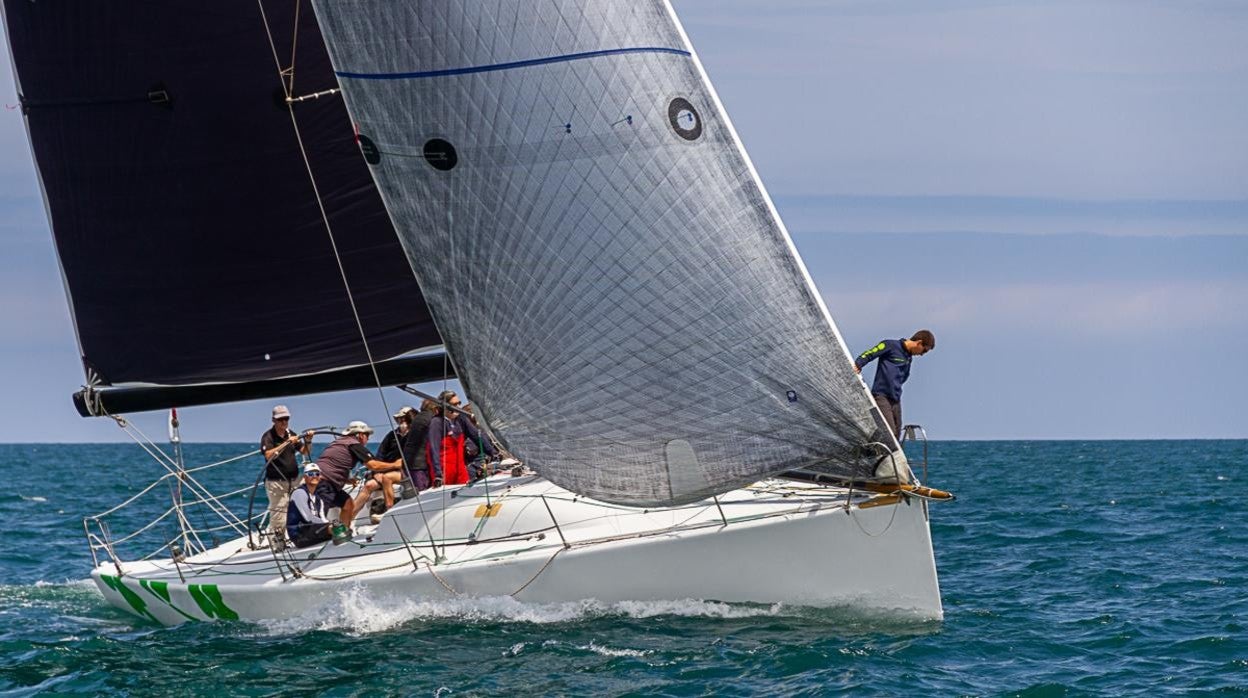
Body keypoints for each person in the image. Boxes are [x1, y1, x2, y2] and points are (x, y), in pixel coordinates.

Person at [314, 421, 401, 531]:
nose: (368, 439)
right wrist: (395, 464)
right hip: (324, 484)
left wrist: (346, 480)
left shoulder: (338, 442)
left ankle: (343, 532)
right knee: (319, 517)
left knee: (348, 504)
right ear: (360, 435)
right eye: (367, 435)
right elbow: (373, 465)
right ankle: (319, 538)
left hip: (320, 480)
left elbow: (333, 464)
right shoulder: (354, 444)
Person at [854, 330, 935, 438]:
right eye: (924, 351)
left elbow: (904, 377)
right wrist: (858, 364)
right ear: (919, 343)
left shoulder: (908, 358)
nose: (921, 354)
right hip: (881, 396)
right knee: (889, 433)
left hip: (896, 399)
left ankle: (883, 453)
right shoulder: (890, 345)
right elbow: (870, 353)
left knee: (896, 435)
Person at [259, 404, 312, 546]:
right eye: (280, 419)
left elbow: (305, 452)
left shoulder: (291, 433)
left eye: (286, 419)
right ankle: (278, 543)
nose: (284, 422)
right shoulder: (268, 436)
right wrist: (287, 443)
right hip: (276, 482)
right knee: (279, 513)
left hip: (294, 480)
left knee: (301, 505)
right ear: (274, 420)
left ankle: (302, 533)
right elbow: (268, 454)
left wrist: (308, 440)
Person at [427, 390, 496, 487]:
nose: (458, 407)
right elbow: (433, 450)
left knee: (466, 489)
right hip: (444, 470)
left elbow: (476, 436)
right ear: (445, 406)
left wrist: (492, 452)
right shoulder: (436, 422)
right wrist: (438, 474)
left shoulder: (461, 418)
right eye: (454, 404)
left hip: (460, 468)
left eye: (459, 403)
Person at [286, 462, 333, 548]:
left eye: (317, 474)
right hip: (299, 535)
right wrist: (328, 526)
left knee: (338, 528)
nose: (314, 476)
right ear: (304, 477)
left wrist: (330, 524)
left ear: (320, 477)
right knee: (332, 530)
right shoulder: (299, 493)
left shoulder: (318, 498)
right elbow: (308, 518)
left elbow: (322, 517)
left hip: (312, 530)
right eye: (310, 474)